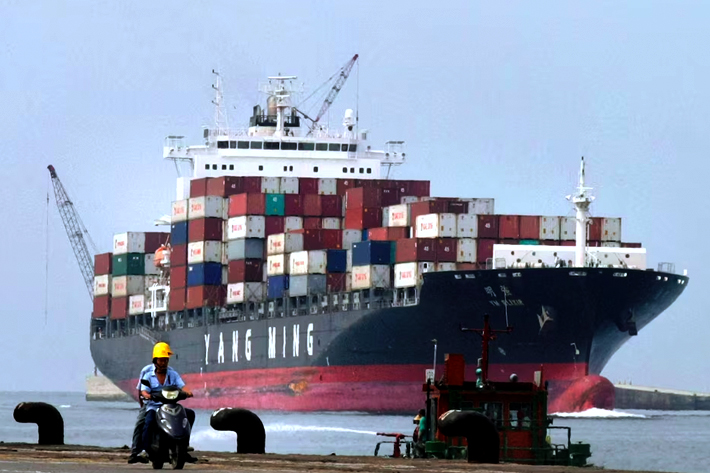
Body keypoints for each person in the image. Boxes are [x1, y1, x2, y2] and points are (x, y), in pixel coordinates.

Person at [139, 342, 197, 463]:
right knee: (148, 422)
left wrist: (188, 392)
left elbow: (182, 386)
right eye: (161, 360)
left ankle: (184, 445)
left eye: (165, 360)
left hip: (171, 405)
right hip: (154, 406)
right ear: (155, 360)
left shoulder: (173, 374)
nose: (164, 363)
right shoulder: (148, 376)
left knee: (189, 414)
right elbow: (143, 391)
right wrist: (147, 395)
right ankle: (146, 450)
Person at [127, 362, 153, 464]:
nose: (163, 361)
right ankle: (135, 452)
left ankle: (182, 448)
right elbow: (140, 389)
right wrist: (142, 404)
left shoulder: (171, 372)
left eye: (165, 359)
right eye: (161, 359)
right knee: (140, 424)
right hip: (149, 403)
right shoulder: (146, 370)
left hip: (164, 402)